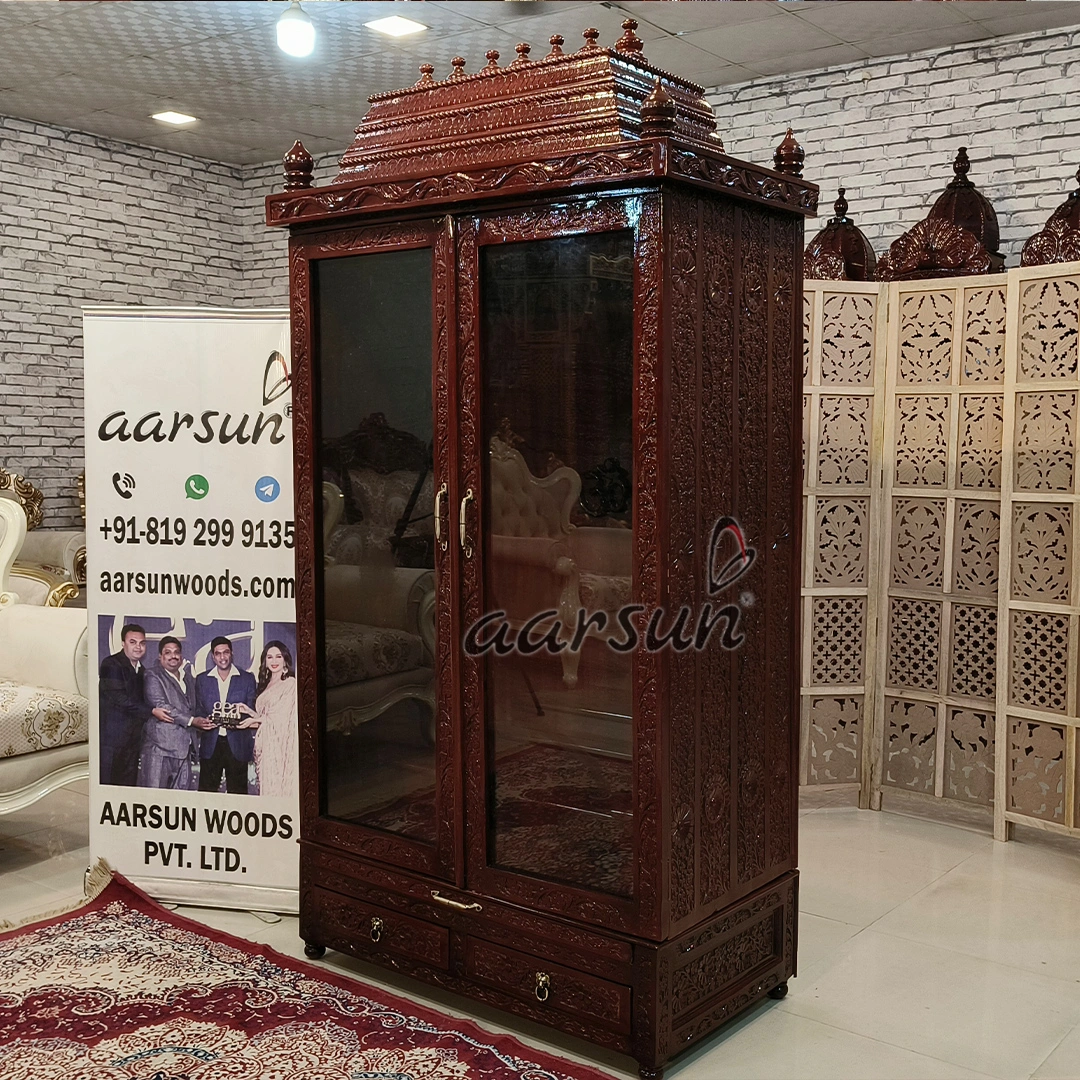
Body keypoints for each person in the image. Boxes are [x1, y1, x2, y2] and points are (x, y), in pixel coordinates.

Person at [139, 637, 213, 789]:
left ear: (181, 656)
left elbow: (193, 707)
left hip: (184, 750)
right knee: (155, 801)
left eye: (176, 652)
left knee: (180, 801)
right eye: (168, 652)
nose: (173, 656)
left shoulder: (188, 678)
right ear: (160, 656)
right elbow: (161, 705)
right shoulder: (152, 675)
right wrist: (192, 720)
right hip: (160, 749)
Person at [194, 636, 257, 795]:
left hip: (238, 743)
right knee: (207, 793)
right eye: (218, 653)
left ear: (232, 653)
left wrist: (236, 721)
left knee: (238, 793)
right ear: (213, 657)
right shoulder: (202, 679)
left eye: (226, 652)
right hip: (211, 743)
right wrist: (204, 721)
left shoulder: (247, 678)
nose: (222, 657)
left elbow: (251, 709)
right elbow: (199, 709)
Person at [236, 640, 297, 798]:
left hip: (279, 747)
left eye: (278, 656)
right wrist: (249, 711)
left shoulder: (290, 683)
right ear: (265, 660)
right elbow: (268, 716)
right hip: (265, 744)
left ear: (285, 659)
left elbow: (281, 717)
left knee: (276, 787)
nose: (274, 661)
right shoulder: (267, 683)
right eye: (270, 657)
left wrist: (253, 721)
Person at [98, 622, 150, 786]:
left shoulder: (143, 671)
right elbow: (119, 699)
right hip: (111, 742)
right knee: (108, 787)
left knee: (128, 789)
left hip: (133, 742)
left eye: (142, 643)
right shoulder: (111, 664)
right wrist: (152, 711)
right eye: (132, 642)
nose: (138, 647)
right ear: (122, 643)